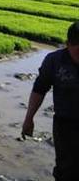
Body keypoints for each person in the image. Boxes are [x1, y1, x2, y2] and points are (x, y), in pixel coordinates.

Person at [22, 22, 79, 181]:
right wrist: (29, 118)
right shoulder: (55, 61)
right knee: (66, 170)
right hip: (65, 124)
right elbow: (39, 89)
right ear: (68, 44)